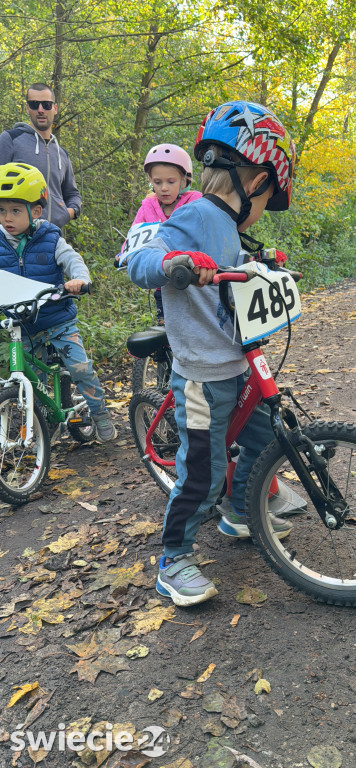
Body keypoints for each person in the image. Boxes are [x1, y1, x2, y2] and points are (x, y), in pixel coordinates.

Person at [128, 100, 296, 606]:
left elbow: (231, 265)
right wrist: (175, 262)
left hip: (237, 360)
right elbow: (138, 258)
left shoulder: (228, 224)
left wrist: (261, 263)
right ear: (255, 181)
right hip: (202, 370)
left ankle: (240, 512)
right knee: (202, 471)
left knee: (267, 434)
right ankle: (174, 558)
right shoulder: (198, 212)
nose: (264, 207)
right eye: (269, 197)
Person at [0, 162, 116, 443]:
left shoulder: (50, 238)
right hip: (22, 326)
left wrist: (79, 279)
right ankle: (42, 424)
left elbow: (72, 260)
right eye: (2, 210)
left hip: (57, 320)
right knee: (33, 383)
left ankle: (100, 415)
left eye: (15, 210)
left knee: (80, 369)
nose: (7, 218)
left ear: (36, 211)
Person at [117, 144, 201, 325]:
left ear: (184, 180)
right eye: (157, 182)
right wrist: (125, 254)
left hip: (194, 282)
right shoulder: (147, 207)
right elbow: (135, 234)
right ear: (150, 180)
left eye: (171, 182)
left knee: (194, 327)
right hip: (162, 284)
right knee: (165, 329)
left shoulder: (195, 202)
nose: (163, 188)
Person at [0, 83, 81, 229]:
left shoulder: (61, 153)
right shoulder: (10, 140)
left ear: (55, 108)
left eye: (46, 105)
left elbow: (72, 194)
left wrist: (68, 213)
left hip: (51, 238)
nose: (40, 110)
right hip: (14, 240)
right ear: (27, 108)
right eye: (34, 104)